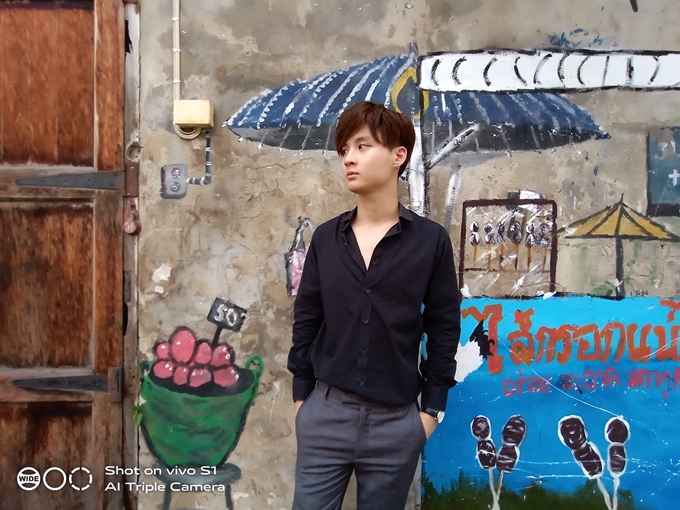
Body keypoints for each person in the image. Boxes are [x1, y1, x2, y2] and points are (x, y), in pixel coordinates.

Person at [287, 101, 461, 510]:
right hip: (325, 413)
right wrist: (301, 400)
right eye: (344, 149)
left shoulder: (430, 241)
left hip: (396, 422)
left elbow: (443, 324)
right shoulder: (327, 239)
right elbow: (308, 316)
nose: (349, 158)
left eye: (362, 146)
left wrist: (430, 412)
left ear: (398, 155)